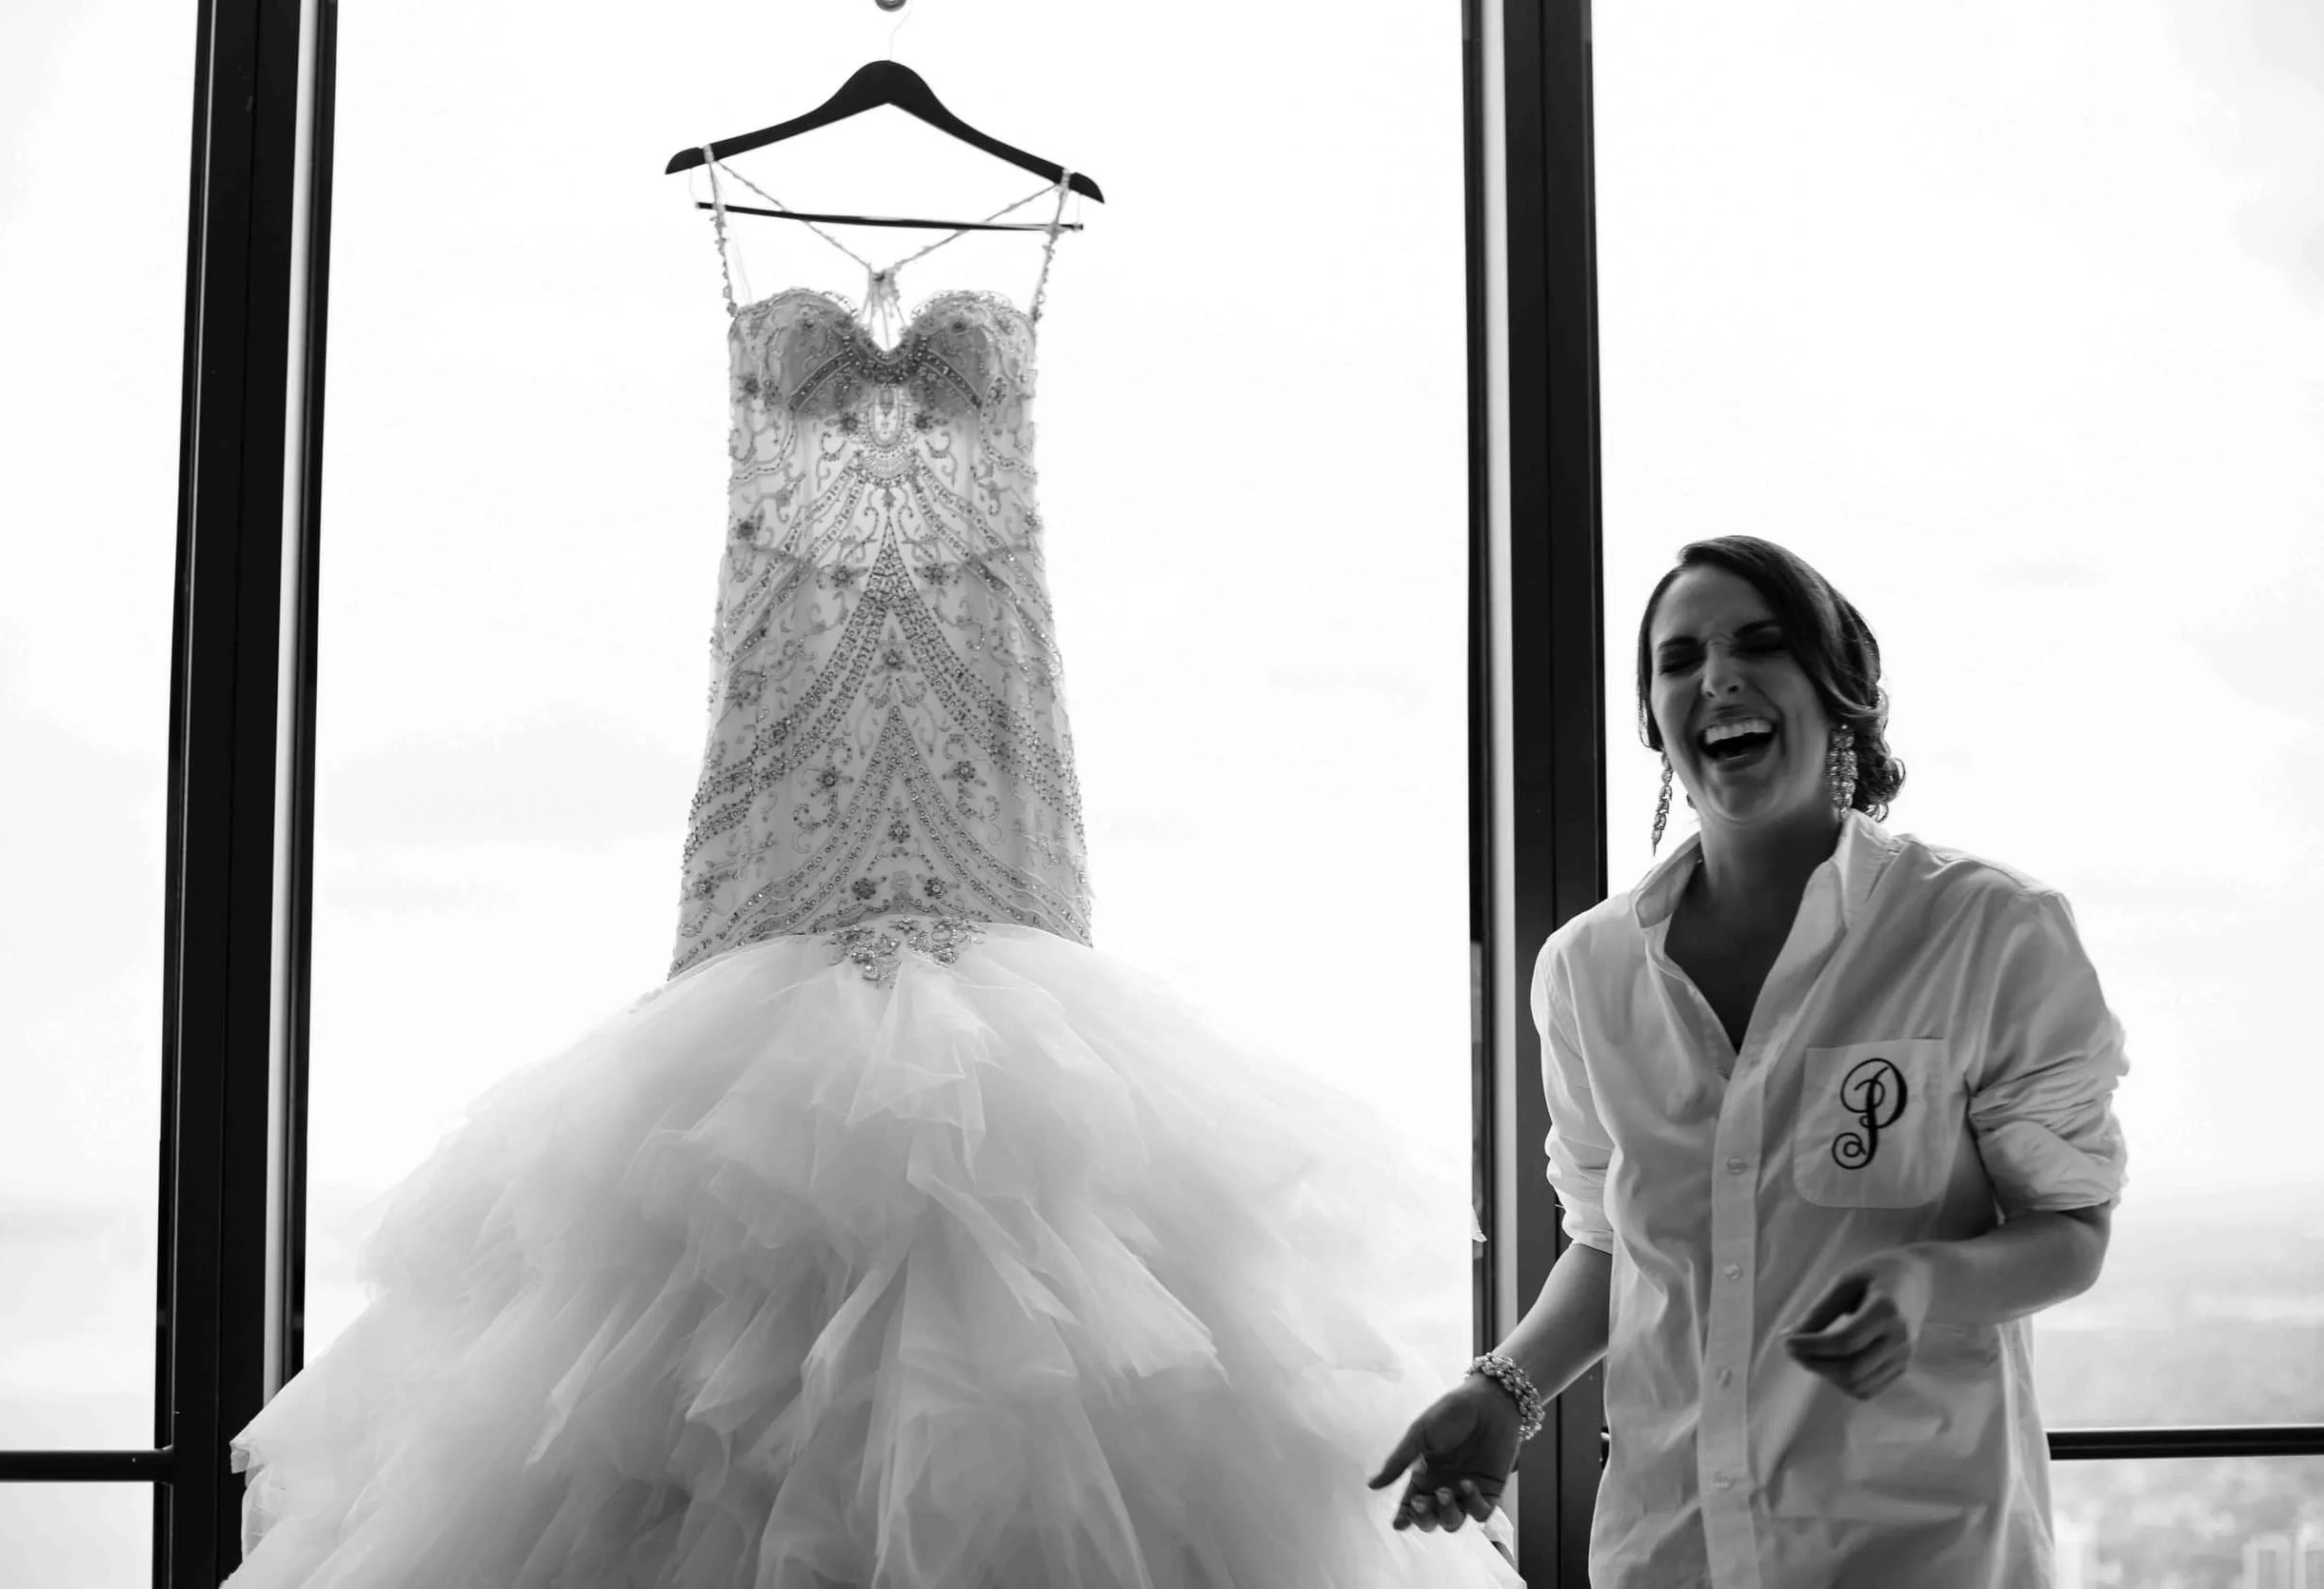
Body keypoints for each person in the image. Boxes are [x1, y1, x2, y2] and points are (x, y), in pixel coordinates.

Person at [220, 158, 1518, 1587]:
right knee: (699, 1335)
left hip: (1004, 836)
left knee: (1049, 1295)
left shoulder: (1033, 241)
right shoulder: (730, 214)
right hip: (776, 850)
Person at [1370, 534, 2130, 1588]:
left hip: (1921, 1549)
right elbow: (1609, 1244)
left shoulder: (1988, 930)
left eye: (1759, 644)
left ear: (1840, 695)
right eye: (1678, 660)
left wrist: (1925, 1279)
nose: (1715, 676)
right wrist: (1505, 1389)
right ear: (1657, 724)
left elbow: (2070, 1230)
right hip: (1666, 1547)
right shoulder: (1587, 970)